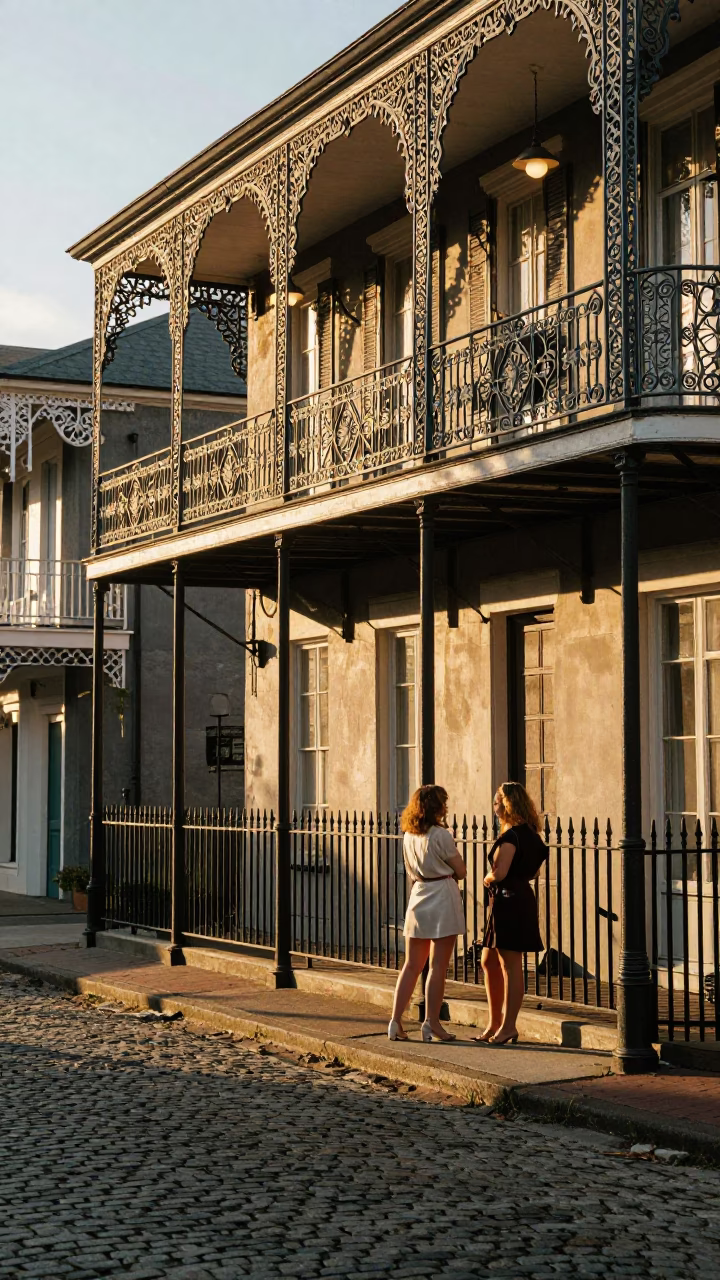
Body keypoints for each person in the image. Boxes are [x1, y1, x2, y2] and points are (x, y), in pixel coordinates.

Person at [388, 784, 467, 1043]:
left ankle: (395, 1020)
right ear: (436, 807)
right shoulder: (441, 835)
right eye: (443, 803)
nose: (446, 807)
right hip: (442, 895)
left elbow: (411, 870)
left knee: (411, 965)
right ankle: (432, 1022)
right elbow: (461, 870)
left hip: (419, 894)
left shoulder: (409, 835)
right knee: (438, 966)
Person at [473, 782, 548, 1046]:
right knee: (489, 961)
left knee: (510, 965)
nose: (494, 808)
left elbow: (500, 873)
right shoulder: (531, 835)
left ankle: (508, 1026)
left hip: (508, 901)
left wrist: (487, 877)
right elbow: (535, 872)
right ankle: (495, 1022)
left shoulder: (511, 837)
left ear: (507, 804)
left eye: (497, 802)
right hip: (518, 898)